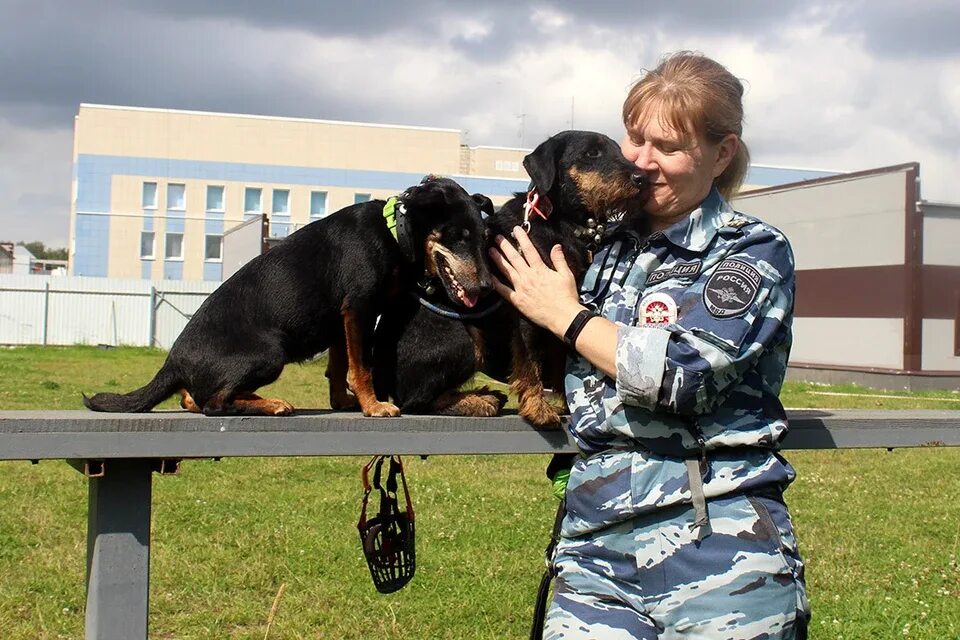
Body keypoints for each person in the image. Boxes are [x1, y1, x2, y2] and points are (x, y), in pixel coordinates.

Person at [489, 51, 811, 639]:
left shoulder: (749, 251)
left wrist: (565, 313)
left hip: (716, 549)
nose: (640, 163)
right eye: (634, 139)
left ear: (721, 153)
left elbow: (681, 375)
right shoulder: (602, 248)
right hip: (592, 555)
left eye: (667, 146)